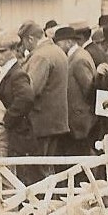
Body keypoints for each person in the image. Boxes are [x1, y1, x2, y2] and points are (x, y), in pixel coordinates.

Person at [17, 20, 69, 182]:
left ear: (30, 39)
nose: (24, 47)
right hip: (55, 121)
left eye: (24, 42)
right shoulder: (56, 51)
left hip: (41, 122)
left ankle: (41, 205)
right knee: (48, 167)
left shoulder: (41, 56)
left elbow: (31, 89)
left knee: (38, 171)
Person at [52, 26, 96, 154]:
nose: (57, 47)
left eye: (58, 43)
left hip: (80, 123)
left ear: (69, 42)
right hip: (76, 121)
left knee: (80, 156)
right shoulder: (74, 57)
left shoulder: (79, 59)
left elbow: (89, 89)